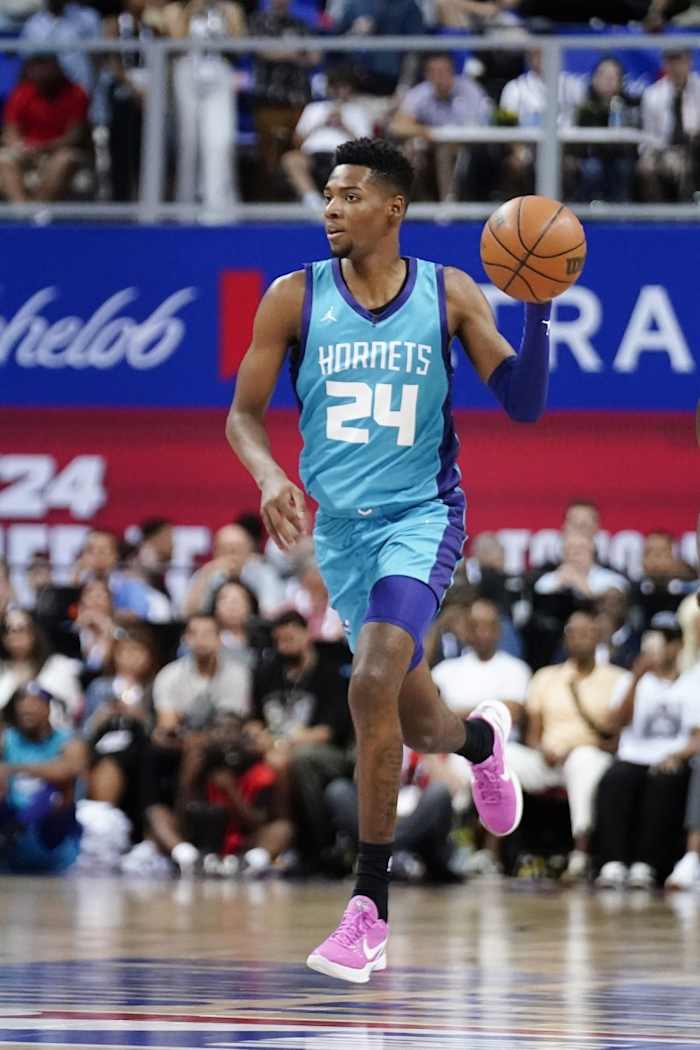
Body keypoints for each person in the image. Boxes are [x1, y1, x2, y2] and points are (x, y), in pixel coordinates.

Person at [226, 136, 553, 983]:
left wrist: (539, 311)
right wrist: (267, 474)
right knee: (415, 721)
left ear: (392, 208)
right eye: (327, 195)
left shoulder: (449, 292)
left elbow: (521, 403)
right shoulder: (292, 298)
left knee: (368, 682)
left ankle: (366, 912)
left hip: (423, 517)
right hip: (342, 532)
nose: (330, 207)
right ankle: (479, 739)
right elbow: (245, 414)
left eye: (348, 195)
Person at [506, 610, 626, 882]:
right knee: (503, 755)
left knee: (582, 760)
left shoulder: (617, 679)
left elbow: (617, 739)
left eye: (586, 633)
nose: (579, 639)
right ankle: (492, 851)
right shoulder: (545, 677)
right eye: (573, 633)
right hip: (548, 759)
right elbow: (532, 735)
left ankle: (580, 854)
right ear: (565, 638)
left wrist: (575, 748)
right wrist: (542, 750)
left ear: (597, 637)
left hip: (591, 756)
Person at [595, 614, 700, 888]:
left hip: (671, 757)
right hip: (632, 756)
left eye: (662, 642)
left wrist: (677, 755)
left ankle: (647, 864)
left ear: (677, 646)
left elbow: (696, 737)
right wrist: (636, 678)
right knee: (615, 780)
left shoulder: (692, 683)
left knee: (663, 783)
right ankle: (613, 862)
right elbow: (615, 723)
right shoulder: (632, 680)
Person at [0, 681, 86, 873]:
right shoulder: (8, 738)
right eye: (22, 707)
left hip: (52, 828)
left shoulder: (68, 740)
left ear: (48, 708)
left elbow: (70, 769)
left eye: (34, 704)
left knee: (57, 787)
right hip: (12, 816)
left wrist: (15, 768)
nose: (26, 710)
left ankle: (18, 828)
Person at [389, 52, 493, 203]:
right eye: (434, 72)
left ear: (452, 72)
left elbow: (481, 125)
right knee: (412, 153)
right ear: (427, 75)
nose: (440, 77)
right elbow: (397, 126)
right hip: (431, 146)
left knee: (446, 151)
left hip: (469, 147)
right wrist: (427, 133)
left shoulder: (470, 90)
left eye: (444, 71)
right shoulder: (420, 93)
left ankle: (449, 205)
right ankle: (420, 208)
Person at [0, 53, 91, 205]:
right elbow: (11, 131)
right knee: (4, 160)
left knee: (64, 160)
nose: (41, 72)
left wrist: (44, 147)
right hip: (26, 152)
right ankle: (23, 212)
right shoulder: (21, 93)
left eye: (46, 66)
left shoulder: (76, 93)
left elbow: (75, 136)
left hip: (58, 151)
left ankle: (39, 210)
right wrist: (20, 147)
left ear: (56, 68)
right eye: (37, 67)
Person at [282, 67, 373, 215]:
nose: (340, 91)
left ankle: (344, 207)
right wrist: (321, 123)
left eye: (344, 87)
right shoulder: (313, 109)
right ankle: (312, 202)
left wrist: (344, 126)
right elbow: (297, 142)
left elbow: (367, 146)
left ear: (351, 89)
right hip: (313, 155)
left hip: (344, 156)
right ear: (329, 88)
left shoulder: (359, 111)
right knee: (291, 159)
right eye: (336, 87)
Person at [431, 597, 530, 728]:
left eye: (489, 626)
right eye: (475, 626)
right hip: (452, 746)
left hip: (503, 746)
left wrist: (452, 714)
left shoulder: (517, 669)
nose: (482, 633)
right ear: (465, 629)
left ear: (499, 630)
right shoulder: (444, 670)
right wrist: (491, 710)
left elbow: (511, 713)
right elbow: (432, 715)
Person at [639, 48, 700, 203]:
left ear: (689, 63)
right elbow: (648, 137)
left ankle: (688, 214)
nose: (676, 67)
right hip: (662, 148)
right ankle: (657, 218)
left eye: (680, 61)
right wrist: (665, 154)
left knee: (687, 161)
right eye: (671, 63)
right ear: (665, 65)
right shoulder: (652, 94)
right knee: (647, 167)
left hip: (694, 148)